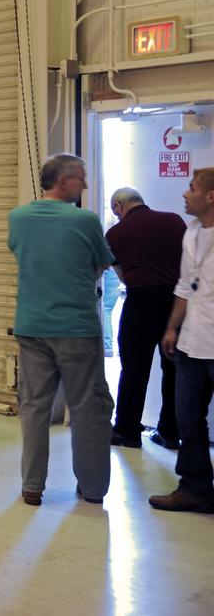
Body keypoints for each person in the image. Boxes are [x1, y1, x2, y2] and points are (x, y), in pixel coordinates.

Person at [7, 153, 115, 506]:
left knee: (34, 407)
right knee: (87, 407)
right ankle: (93, 488)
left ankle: (32, 486)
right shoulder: (86, 221)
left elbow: (23, 255)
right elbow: (101, 265)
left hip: (31, 325)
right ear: (63, 181)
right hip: (76, 328)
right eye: (81, 178)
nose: (84, 184)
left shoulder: (19, 218)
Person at [149, 167, 214, 513]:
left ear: (210, 196)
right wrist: (172, 328)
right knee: (188, 418)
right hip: (191, 342)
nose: (185, 194)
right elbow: (183, 287)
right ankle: (195, 488)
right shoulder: (190, 233)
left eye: (191, 188)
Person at [105, 187, 186, 449]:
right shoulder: (174, 221)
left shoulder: (116, 233)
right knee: (173, 369)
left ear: (118, 205)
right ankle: (171, 433)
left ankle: (127, 431)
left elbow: (123, 276)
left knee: (134, 370)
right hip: (176, 303)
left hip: (140, 304)